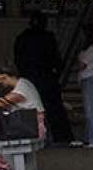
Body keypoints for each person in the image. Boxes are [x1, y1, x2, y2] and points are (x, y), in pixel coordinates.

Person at [12, 11, 73, 144]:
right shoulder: (48, 37)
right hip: (47, 77)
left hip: (29, 78)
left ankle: (30, 136)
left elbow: (18, 59)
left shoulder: (22, 38)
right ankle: (61, 137)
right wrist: (56, 72)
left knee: (29, 109)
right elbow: (56, 59)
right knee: (54, 109)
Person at [0, 69, 45, 170]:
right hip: (31, 125)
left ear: (5, 77)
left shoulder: (19, 92)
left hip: (29, 126)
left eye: (0, 81)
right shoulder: (24, 83)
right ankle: (2, 167)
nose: (1, 84)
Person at [75, 25, 93, 148]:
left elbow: (82, 65)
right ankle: (89, 138)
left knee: (91, 111)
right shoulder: (88, 50)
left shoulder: (91, 50)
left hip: (89, 79)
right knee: (88, 110)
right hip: (86, 79)